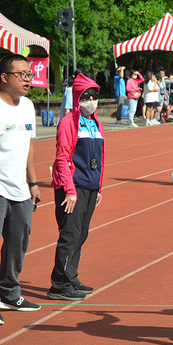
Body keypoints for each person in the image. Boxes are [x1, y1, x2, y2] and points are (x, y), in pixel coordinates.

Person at [48, 73, 104, 301]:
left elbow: (99, 156)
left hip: (90, 187)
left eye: (94, 95)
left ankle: (70, 276)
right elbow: (62, 158)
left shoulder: (96, 123)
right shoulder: (67, 122)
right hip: (72, 188)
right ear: (77, 97)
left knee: (81, 235)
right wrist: (69, 190)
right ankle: (58, 285)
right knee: (70, 235)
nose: (91, 100)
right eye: (86, 95)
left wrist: (98, 186)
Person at [0, 54, 42, 315]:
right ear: (4, 78)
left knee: (18, 243)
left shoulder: (27, 105)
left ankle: (9, 294)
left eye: (30, 74)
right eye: (22, 74)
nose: (28, 79)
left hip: (21, 189)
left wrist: (33, 182)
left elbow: (28, 145)